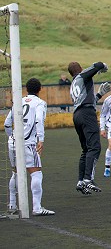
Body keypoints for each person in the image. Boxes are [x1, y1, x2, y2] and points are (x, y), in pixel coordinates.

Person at [4, 78, 55, 216]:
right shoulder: (40, 103)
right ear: (40, 89)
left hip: (13, 142)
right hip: (28, 143)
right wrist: (41, 139)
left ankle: (12, 205)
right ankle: (37, 208)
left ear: (26, 89)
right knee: (36, 173)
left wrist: (12, 137)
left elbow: (7, 124)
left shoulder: (18, 101)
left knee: (16, 172)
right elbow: (38, 120)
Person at [68, 61, 111, 195]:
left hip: (77, 115)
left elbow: (85, 100)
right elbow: (97, 65)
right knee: (95, 147)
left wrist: (98, 95)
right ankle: (88, 179)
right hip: (87, 114)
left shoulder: (73, 84)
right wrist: (103, 66)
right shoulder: (82, 76)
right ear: (80, 69)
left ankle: (81, 181)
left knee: (86, 149)